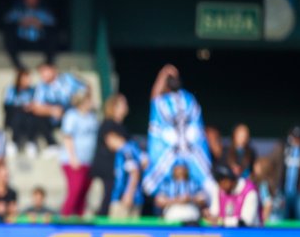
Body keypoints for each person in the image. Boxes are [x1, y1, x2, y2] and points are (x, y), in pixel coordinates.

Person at [143, 64, 211, 196]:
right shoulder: (185, 100)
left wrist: (163, 74)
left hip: (190, 162)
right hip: (172, 161)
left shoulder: (184, 100)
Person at [60, 89, 98, 217]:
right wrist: (73, 157)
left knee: (84, 192)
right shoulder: (72, 115)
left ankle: (79, 219)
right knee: (75, 190)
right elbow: (68, 137)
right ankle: (65, 218)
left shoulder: (92, 117)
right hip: (74, 161)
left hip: (88, 161)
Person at [90, 93, 129, 215]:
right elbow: (114, 143)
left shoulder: (121, 127)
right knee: (104, 203)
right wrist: (135, 151)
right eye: (122, 103)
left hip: (115, 173)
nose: (126, 106)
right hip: (105, 172)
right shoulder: (108, 124)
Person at [4, 0, 56, 68]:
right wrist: (20, 22)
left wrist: (40, 23)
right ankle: (17, 65)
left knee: (52, 35)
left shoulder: (44, 11)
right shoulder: (17, 10)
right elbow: (8, 19)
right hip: (22, 41)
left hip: (39, 41)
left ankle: (48, 63)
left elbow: (52, 21)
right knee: (9, 34)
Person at [3, 68, 40, 155]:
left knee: (31, 116)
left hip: (30, 116)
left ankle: (31, 142)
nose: (28, 80)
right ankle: (14, 142)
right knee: (18, 115)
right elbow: (7, 105)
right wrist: (21, 107)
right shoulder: (12, 90)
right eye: (26, 78)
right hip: (15, 115)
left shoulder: (33, 90)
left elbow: (37, 103)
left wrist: (29, 107)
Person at [109, 138, 147, 220]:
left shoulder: (126, 151)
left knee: (116, 230)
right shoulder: (134, 148)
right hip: (134, 197)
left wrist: (129, 194)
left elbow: (134, 172)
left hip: (124, 198)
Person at [281, 127, 300, 221]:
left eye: (298, 138)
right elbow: (273, 164)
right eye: (294, 137)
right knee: (283, 218)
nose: (296, 140)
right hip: (285, 191)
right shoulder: (282, 148)